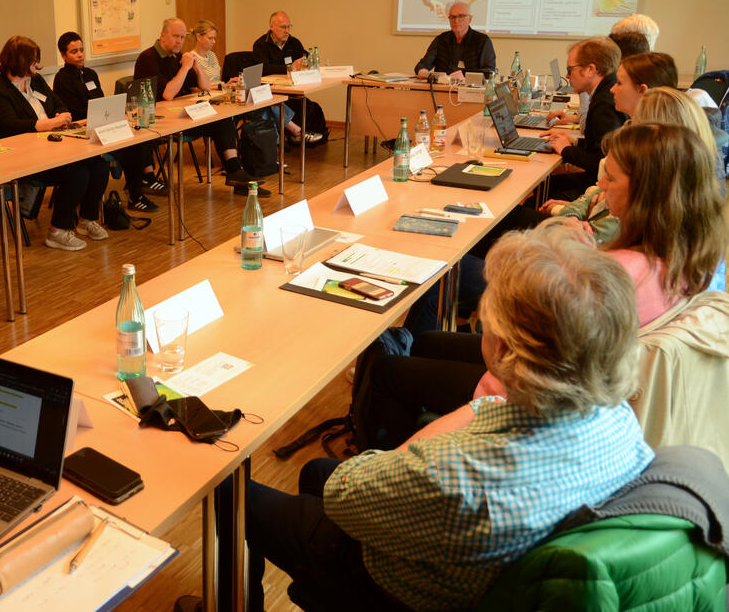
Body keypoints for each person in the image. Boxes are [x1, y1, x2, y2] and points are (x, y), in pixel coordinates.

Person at [201, 225, 653, 612]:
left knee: (227, 488)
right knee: (317, 470)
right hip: (500, 563)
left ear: (504, 347)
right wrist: (483, 408)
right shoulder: (618, 422)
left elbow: (346, 493)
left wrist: (473, 411)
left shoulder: (454, 473)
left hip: (402, 586)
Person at [373, 121, 727, 449]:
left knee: (388, 370)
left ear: (646, 193)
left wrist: (560, 244)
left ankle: (395, 471)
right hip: (571, 385)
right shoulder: (692, 258)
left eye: (612, 179)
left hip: (529, 400)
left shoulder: (615, 276)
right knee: (429, 341)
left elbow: (518, 330)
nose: (600, 185)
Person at [0, 36, 110, 251]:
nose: (36, 65)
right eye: (33, 61)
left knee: (99, 165)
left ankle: (86, 220)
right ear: (19, 61)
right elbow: (10, 125)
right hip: (23, 156)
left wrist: (63, 114)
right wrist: (48, 123)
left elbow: (57, 102)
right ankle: (57, 231)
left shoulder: (36, 80)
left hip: (52, 145)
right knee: (78, 173)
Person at [135, 18, 264, 195]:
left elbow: (204, 86)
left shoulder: (178, 57)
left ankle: (234, 169)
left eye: (182, 37)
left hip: (180, 115)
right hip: (156, 122)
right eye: (175, 36)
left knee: (221, 118)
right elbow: (168, 94)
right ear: (162, 36)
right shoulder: (148, 58)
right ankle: (147, 178)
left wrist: (195, 66)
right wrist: (185, 68)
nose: (179, 41)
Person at [52, 30, 163, 213]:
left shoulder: (90, 73)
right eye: (74, 51)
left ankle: (140, 185)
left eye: (81, 50)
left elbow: (102, 100)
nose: (80, 54)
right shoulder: (62, 78)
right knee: (128, 149)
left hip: (102, 122)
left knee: (137, 139)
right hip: (82, 130)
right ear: (63, 55)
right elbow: (72, 111)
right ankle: (136, 194)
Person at [193, 20, 318, 148]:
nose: (214, 42)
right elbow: (195, 88)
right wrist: (221, 86)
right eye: (210, 38)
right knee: (263, 103)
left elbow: (217, 80)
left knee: (263, 100)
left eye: (214, 38)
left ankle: (274, 149)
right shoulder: (192, 59)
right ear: (198, 36)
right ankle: (292, 133)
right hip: (209, 97)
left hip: (224, 92)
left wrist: (227, 83)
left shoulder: (212, 56)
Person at [541, 36, 625, 199]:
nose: (567, 74)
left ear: (591, 70)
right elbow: (599, 147)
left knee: (542, 192)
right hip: (597, 182)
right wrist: (575, 142)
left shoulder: (604, 104)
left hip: (599, 190)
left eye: (570, 69)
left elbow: (602, 163)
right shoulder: (603, 92)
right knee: (545, 185)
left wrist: (566, 150)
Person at [250, 11, 326, 143]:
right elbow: (263, 68)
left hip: (290, 87)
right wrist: (290, 68)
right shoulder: (261, 44)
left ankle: (297, 135)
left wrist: (307, 62)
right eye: (283, 27)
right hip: (270, 90)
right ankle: (295, 133)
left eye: (289, 27)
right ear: (272, 27)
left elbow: (305, 56)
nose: (287, 31)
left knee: (309, 106)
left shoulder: (293, 42)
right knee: (281, 104)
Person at [413, 1, 497, 81]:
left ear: (470, 19)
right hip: (441, 90)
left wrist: (465, 75)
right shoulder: (441, 39)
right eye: (452, 17)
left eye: (461, 16)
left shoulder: (482, 41)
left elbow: (489, 72)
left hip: (470, 90)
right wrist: (425, 73)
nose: (456, 21)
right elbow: (421, 66)